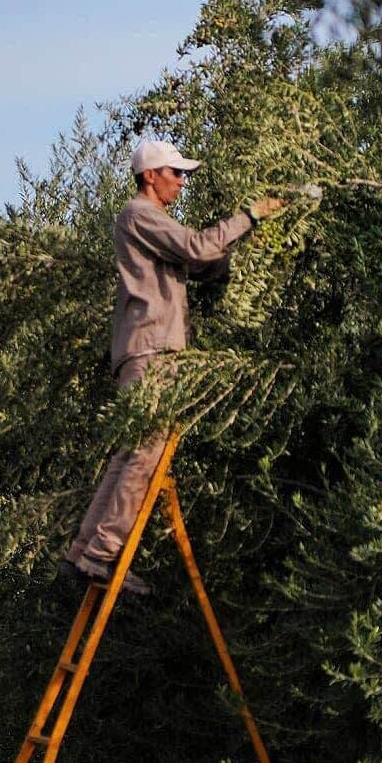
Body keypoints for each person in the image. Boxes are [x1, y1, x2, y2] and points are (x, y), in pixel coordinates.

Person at [62, 140, 284, 595]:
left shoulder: (149, 222)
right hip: (152, 351)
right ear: (150, 176)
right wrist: (249, 217)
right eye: (175, 173)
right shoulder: (139, 215)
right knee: (145, 451)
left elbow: (195, 261)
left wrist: (225, 261)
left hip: (145, 349)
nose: (181, 181)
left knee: (128, 453)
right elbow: (195, 247)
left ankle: (82, 553)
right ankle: (102, 554)